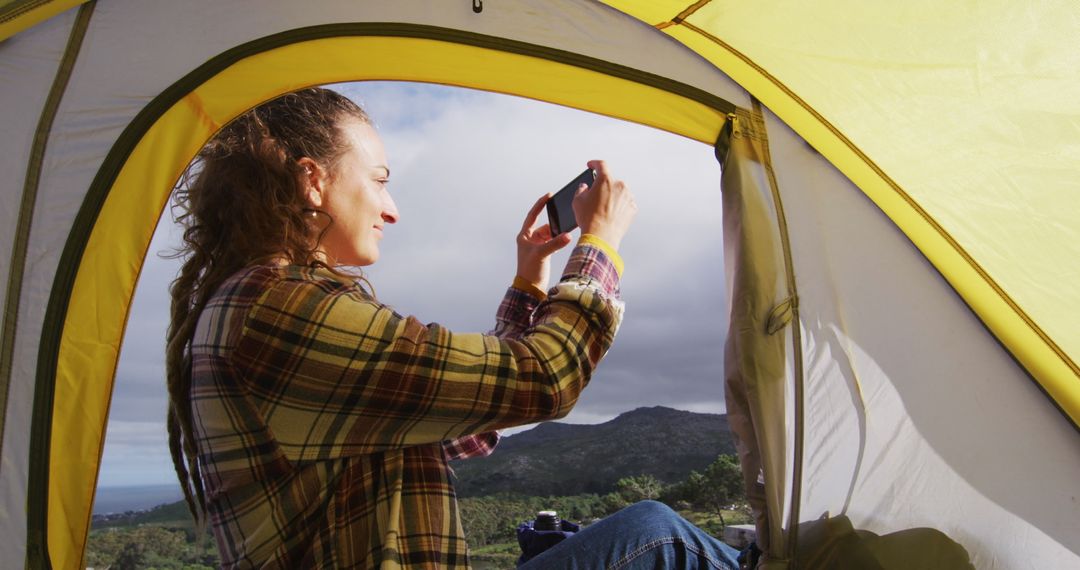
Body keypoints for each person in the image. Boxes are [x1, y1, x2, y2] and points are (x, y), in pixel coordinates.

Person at [166, 87, 738, 569]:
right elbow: (544, 379)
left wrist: (529, 283)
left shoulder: (255, 304)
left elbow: (464, 426)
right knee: (660, 535)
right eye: (380, 180)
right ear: (313, 181)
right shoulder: (281, 312)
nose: (391, 210)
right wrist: (601, 244)